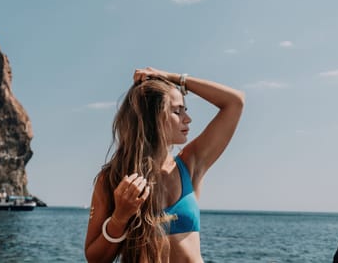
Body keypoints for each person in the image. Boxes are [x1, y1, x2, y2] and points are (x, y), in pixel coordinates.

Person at [84, 67, 245, 263]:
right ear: (153, 117)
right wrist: (120, 217)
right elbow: (95, 258)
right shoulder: (114, 178)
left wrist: (173, 78)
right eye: (177, 111)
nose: (188, 119)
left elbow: (234, 102)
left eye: (185, 110)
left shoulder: (190, 163)